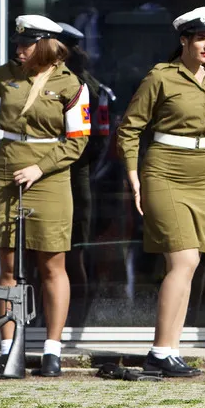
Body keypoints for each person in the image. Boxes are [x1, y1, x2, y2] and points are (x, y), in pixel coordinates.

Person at [0, 15, 89, 378]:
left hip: (51, 175)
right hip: (9, 168)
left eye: (26, 44)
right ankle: (9, 349)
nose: (19, 49)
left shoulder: (71, 85)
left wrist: (40, 169)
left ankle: (52, 350)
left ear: (45, 45)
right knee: (7, 265)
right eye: (18, 43)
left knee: (51, 264)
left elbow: (78, 143)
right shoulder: (9, 73)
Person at [116, 6, 205, 378]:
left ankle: (171, 350)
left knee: (189, 263)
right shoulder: (161, 77)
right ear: (183, 40)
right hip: (164, 170)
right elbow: (129, 129)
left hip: (200, 176)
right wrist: (133, 177)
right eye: (200, 37)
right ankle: (158, 352)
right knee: (183, 262)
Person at [56, 21, 115, 326]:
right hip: (74, 177)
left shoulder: (87, 89)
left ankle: (73, 321)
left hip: (74, 176)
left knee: (71, 253)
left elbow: (99, 142)